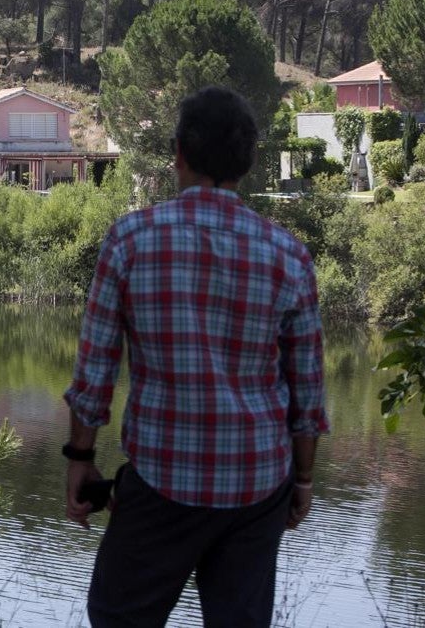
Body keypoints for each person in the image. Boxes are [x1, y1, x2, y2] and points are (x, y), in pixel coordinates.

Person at [62, 86, 329, 627]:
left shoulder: (130, 241)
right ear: (248, 163)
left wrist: (80, 459)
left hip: (162, 481)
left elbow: (95, 374)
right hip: (258, 485)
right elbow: (308, 392)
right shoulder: (289, 257)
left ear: (179, 152)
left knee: (118, 617)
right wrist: (301, 480)